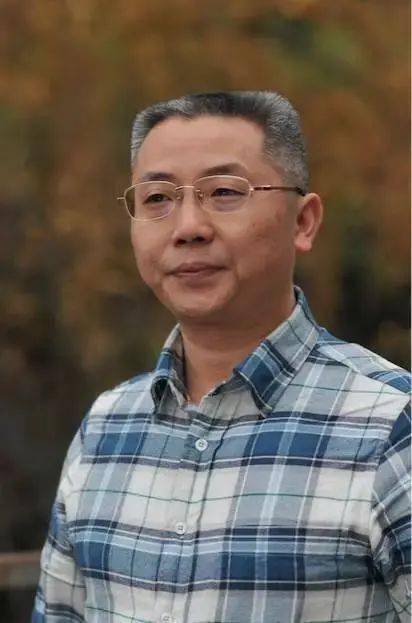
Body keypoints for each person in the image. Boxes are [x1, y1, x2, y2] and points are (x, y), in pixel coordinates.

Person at [32, 91, 410, 623]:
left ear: (303, 222)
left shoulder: (389, 425)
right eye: (157, 198)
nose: (188, 227)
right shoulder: (106, 429)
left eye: (225, 192)